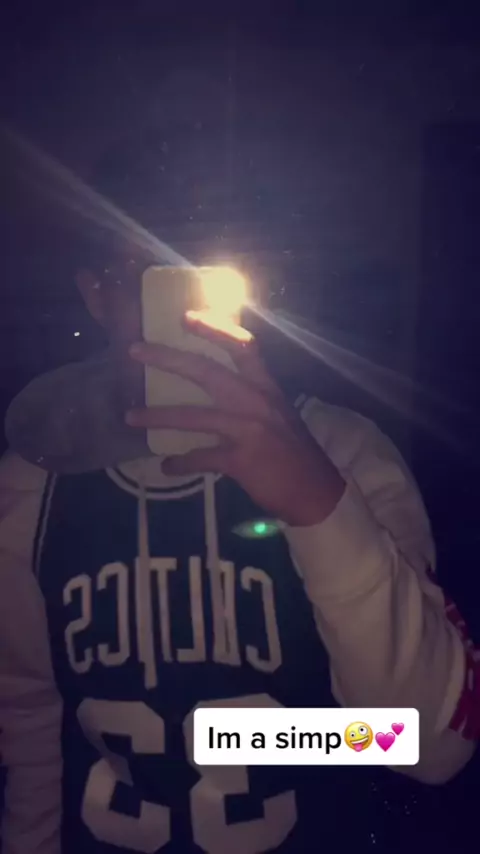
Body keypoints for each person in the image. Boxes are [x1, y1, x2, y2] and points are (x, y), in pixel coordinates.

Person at [0, 132, 478, 854]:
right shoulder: (32, 483)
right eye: (154, 278)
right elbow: (32, 725)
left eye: (214, 281)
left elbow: (426, 746)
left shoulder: (346, 455)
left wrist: (318, 504)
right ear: (96, 294)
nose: (193, 318)